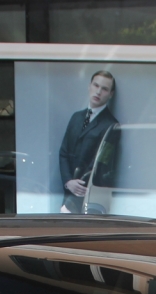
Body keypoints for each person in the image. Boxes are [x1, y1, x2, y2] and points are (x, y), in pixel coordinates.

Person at [58, 70, 119, 214]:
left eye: (104, 89)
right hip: (69, 192)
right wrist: (68, 182)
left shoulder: (111, 125)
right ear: (89, 86)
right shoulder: (76, 118)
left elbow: (101, 164)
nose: (98, 91)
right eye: (96, 85)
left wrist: (75, 193)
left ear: (110, 94)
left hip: (90, 196)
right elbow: (63, 153)